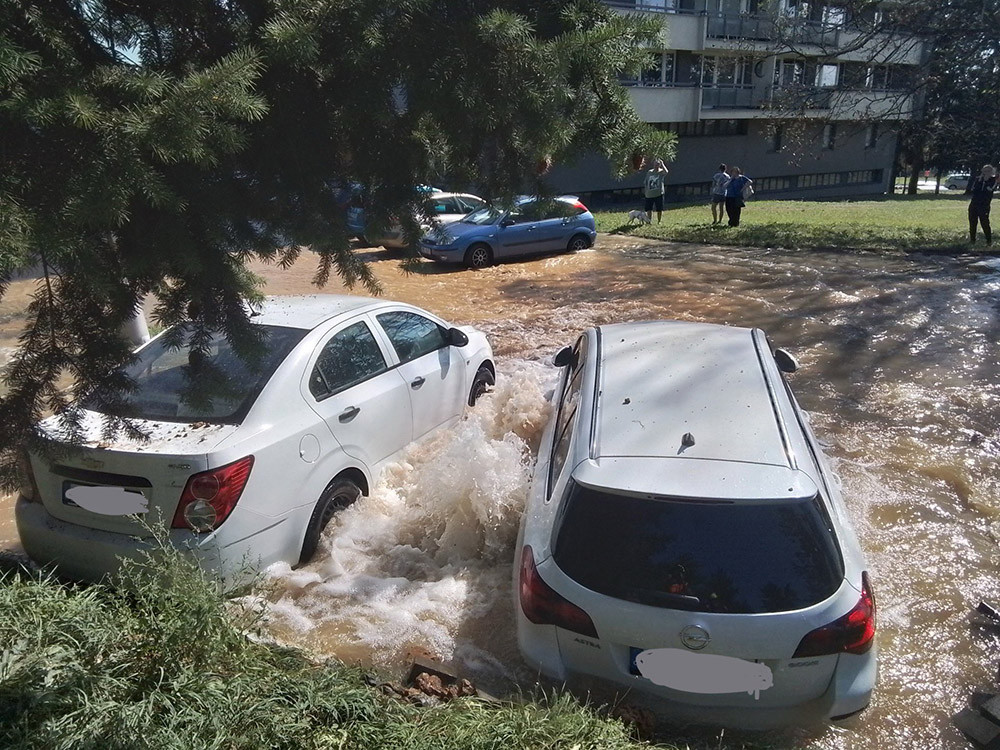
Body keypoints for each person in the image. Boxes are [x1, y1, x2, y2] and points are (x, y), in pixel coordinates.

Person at [966, 164, 998, 245]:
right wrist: (981, 181)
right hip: (974, 203)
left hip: (984, 205)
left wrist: (987, 182)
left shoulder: (993, 180)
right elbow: (974, 190)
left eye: (987, 171)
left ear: (991, 172)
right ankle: (972, 240)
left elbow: (991, 189)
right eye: (984, 171)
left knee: (985, 223)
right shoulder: (978, 179)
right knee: (972, 222)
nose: (985, 173)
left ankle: (988, 241)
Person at [643, 158, 669, 223]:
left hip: (659, 193)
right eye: (655, 164)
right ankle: (649, 221)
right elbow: (646, 182)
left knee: (659, 209)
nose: (656, 165)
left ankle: (659, 221)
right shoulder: (649, 172)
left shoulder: (661, 172)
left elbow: (666, 172)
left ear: (659, 165)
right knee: (649, 209)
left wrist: (662, 164)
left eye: (657, 164)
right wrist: (646, 191)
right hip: (649, 194)